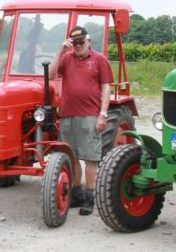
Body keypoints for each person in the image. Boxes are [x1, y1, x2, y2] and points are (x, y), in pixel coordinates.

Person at [49, 25, 113, 216]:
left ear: (88, 41)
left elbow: (106, 88)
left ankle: (90, 197)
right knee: (72, 156)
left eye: (81, 42)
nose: (78, 46)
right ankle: (76, 194)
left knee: (90, 158)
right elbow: (51, 75)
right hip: (68, 115)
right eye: (74, 42)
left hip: (89, 115)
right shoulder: (67, 58)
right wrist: (61, 50)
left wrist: (103, 114)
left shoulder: (99, 60)